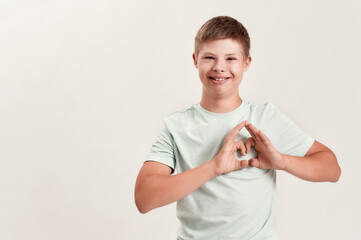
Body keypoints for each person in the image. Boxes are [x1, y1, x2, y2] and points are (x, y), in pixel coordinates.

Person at [134, 15, 341, 240]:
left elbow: (331, 168)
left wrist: (280, 160)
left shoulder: (264, 117)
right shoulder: (176, 126)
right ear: (195, 60)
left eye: (230, 58)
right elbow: (144, 199)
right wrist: (213, 167)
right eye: (209, 57)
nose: (219, 67)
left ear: (246, 63)